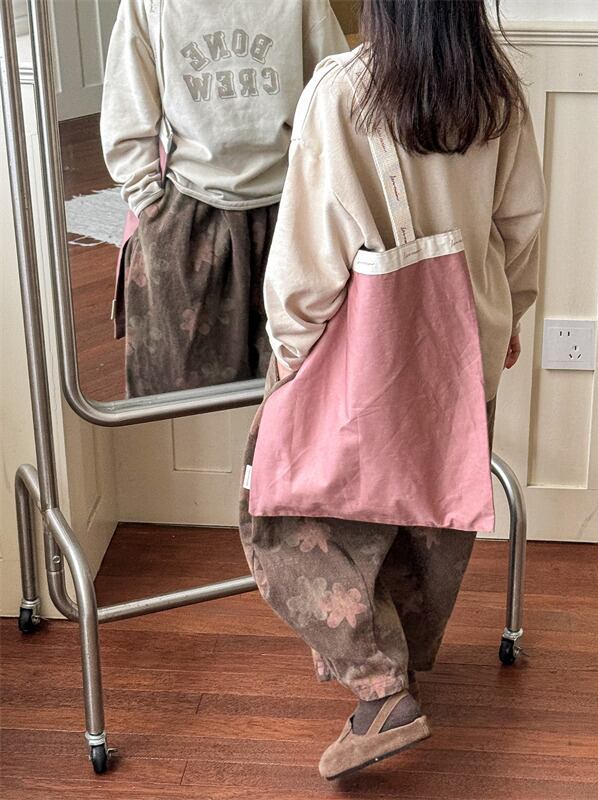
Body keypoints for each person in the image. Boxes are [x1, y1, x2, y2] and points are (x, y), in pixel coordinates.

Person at [238, 0, 547, 780]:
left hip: (367, 361)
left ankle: (382, 690)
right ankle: (400, 666)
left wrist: (289, 356)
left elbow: (310, 252)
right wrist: (510, 314)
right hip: (464, 347)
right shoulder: (495, 89)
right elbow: (520, 225)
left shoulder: (344, 91)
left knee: (283, 515)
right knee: (427, 514)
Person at [100, 0, 348, 397]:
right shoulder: (149, 5)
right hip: (189, 212)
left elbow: (335, 90)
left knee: (294, 380)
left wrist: (325, 188)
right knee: (180, 382)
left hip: (288, 207)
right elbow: (125, 107)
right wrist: (146, 198)